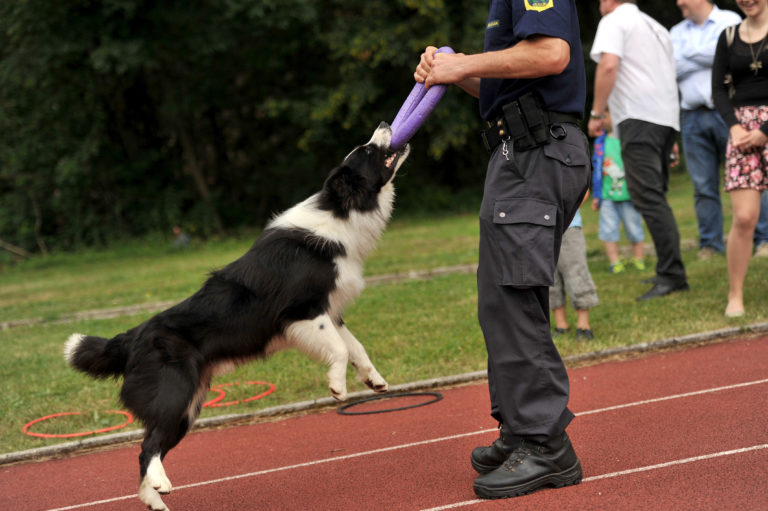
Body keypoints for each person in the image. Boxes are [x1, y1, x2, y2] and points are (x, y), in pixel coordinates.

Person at [413, 0, 589, 500]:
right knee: (499, 302)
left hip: (538, 151)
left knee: (514, 299)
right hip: (516, 153)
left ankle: (545, 444)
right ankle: (520, 430)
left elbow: (552, 54)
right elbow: (500, 84)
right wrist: (449, 74)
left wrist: (460, 62)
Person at [588, 0, 688, 301]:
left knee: (648, 197)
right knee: (655, 196)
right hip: (664, 118)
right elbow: (666, 76)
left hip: (637, 117)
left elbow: (608, 64)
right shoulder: (656, 27)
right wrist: (671, 132)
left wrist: (596, 113)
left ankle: (672, 275)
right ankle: (669, 270)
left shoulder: (614, 20)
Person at [671, 0, 768, 260]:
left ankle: (763, 240)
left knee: (757, 181)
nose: (679, 2)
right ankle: (710, 245)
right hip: (693, 114)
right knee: (703, 185)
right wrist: (701, 57)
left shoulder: (729, 21)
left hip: (729, 114)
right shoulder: (676, 32)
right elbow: (672, 67)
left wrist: (688, 56)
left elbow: (718, 62)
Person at [711, 0, 768, 317]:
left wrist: (765, 130)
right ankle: (735, 295)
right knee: (745, 218)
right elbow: (718, 90)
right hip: (742, 133)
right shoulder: (728, 36)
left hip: (765, 128)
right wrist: (734, 127)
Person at [591, 110, 646, 274]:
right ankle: (615, 262)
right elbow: (597, 171)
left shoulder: (629, 139)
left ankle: (638, 259)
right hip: (607, 197)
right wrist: (596, 195)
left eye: (604, 116)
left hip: (630, 195)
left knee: (634, 228)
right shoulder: (600, 142)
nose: (601, 121)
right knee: (608, 230)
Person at [550, 204, 599, 342]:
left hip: (569, 226)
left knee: (576, 273)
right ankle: (561, 325)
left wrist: (565, 210)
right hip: (540, 228)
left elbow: (582, 191)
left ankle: (584, 326)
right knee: (549, 277)